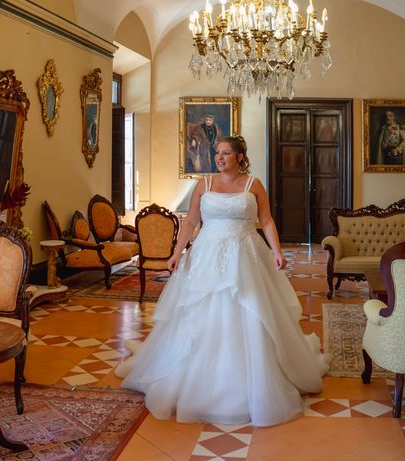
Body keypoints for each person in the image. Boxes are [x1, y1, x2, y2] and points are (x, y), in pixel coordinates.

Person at [116, 136, 329, 427]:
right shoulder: (203, 184)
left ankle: (253, 379)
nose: (219, 157)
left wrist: (277, 251)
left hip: (246, 257)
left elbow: (266, 220)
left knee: (252, 311)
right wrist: (177, 253)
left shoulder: (253, 184)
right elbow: (190, 222)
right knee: (201, 315)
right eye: (217, 152)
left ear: (240, 156)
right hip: (207, 256)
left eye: (226, 153)